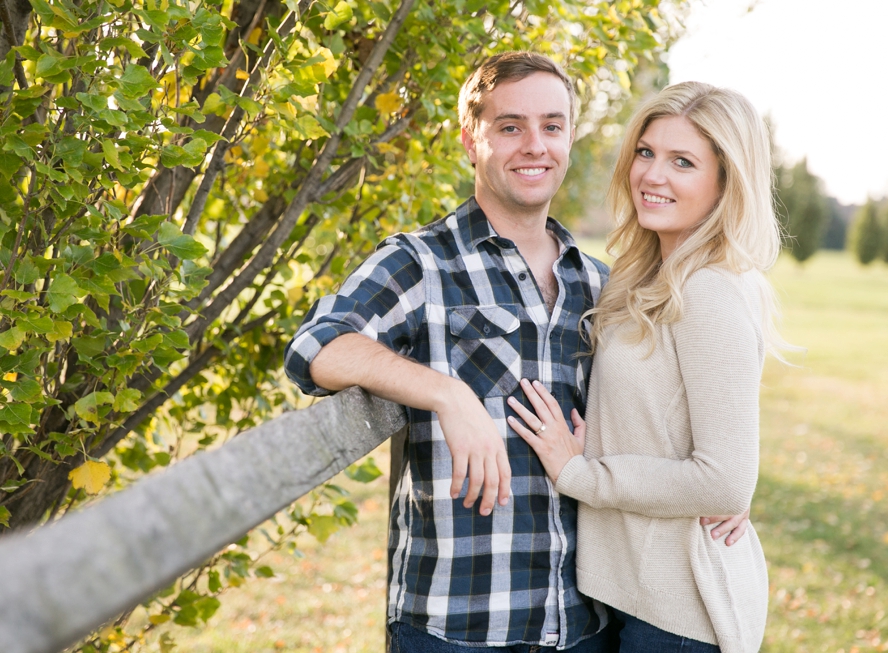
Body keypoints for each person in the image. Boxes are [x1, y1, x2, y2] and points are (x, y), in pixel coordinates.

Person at [284, 54, 747, 652]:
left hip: (589, 624)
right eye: (510, 127)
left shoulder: (602, 286)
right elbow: (315, 346)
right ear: (470, 141)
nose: (535, 145)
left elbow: (668, 426)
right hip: (458, 627)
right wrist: (447, 394)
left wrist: (723, 494)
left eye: (552, 126)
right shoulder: (421, 263)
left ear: (569, 140)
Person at [507, 81, 781, 653]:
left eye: (683, 162)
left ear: (726, 182)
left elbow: (726, 478)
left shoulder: (708, 289)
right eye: (646, 152)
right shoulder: (648, 276)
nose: (653, 176)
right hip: (634, 600)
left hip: (680, 617)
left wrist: (582, 474)